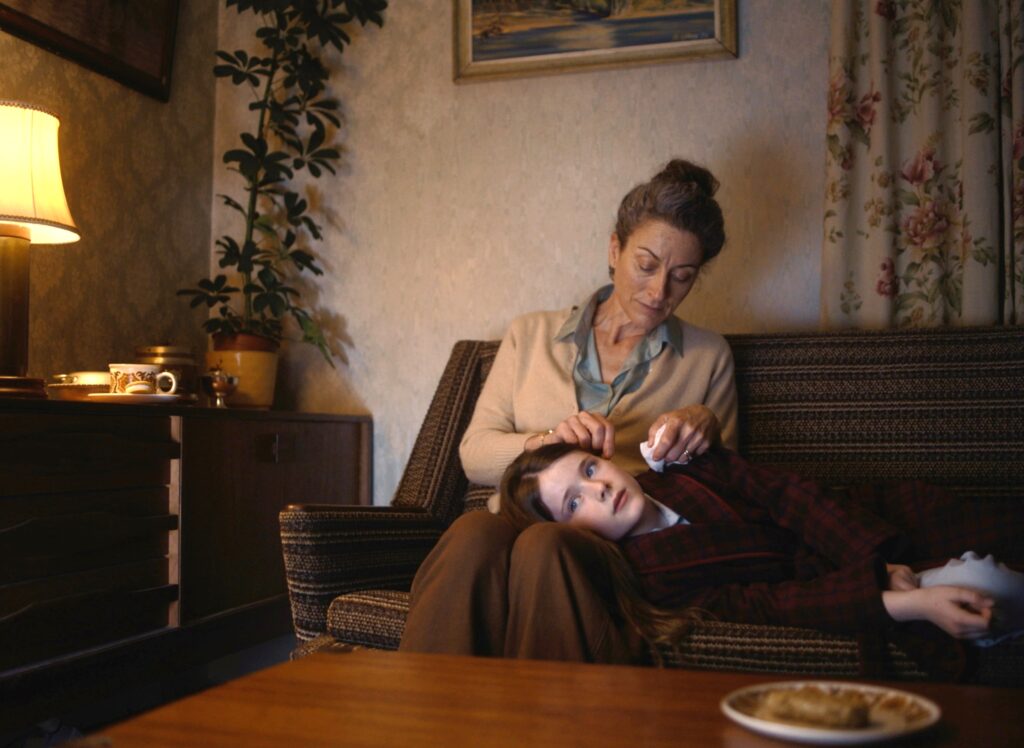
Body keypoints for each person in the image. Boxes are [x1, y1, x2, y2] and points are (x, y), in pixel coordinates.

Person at [399, 159, 738, 662]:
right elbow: (474, 454)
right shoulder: (529, 334)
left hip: (617, 544)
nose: (658, 292)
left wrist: (704, 430)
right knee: (473, 531)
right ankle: (420, 710)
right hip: (514, 520)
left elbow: (728, 493)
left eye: (681, 277)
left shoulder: (709, 357)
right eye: (646, 265)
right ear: (614, 249)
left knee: (545, 546)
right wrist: (549, 443)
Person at [497, 442, 1024, 678]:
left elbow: (789, 494)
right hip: (846, 588)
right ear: (572, 537)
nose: (598, 489)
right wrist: (896, 597)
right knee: (988, 586)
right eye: (574, 503)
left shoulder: (684, 469)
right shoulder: (650, 578)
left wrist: (876, 558)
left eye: (590, 470)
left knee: (993, 523)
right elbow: (772, 604)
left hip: (861, 527)